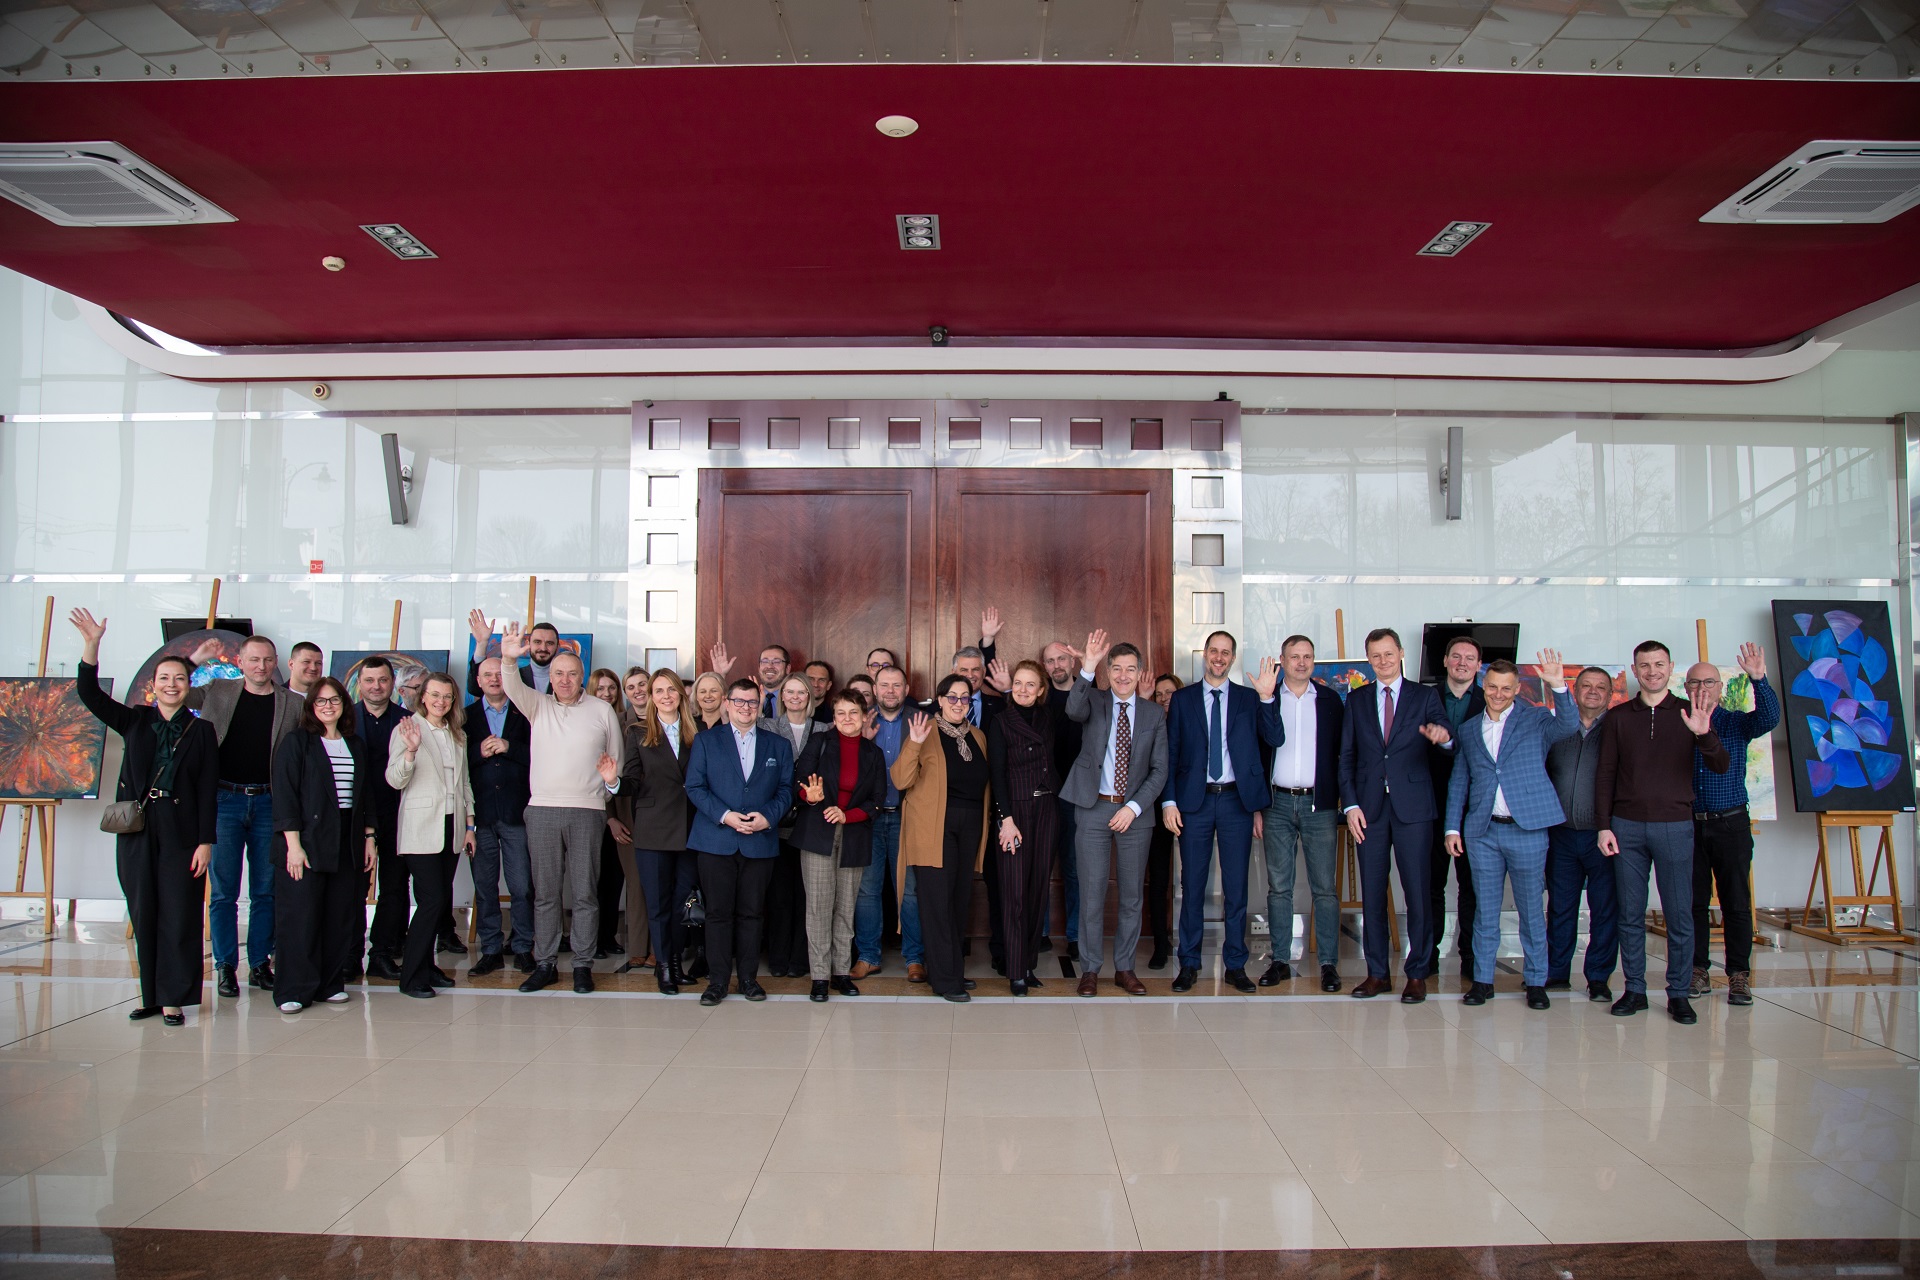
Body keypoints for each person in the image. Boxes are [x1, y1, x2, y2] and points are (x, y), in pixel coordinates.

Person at [72, 608, 216, 1026]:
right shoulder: (134, 721)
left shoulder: (201, 730)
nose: (172, 685)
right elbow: (89, 694)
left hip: (182, 833)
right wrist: (92, 645)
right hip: (136, 829)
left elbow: (207, 789)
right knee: (144, 910)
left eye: (180, 679)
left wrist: (206, 841)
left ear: (190, 687)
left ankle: (175, 999)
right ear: (152, 687)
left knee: (179, 913)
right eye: (165, 679)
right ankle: (151, 995)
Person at [1595, 640, 1729, 1025]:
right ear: (1635, 670)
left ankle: (1679, 993)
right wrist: (1604, 825)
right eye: (1644, 665)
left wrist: (1704, 733)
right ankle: (1634, 989)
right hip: (1626, 827)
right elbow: (1605, 775)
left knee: (1680, 915)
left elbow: (1720, 765)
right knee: (1630, 913)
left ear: (1670, 668)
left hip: (1675, 825)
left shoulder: (1691, 713)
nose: (1652, 671)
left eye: (1658, 664)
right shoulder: (1619, 718)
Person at [1443, 654, 1577, 1010]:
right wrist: (1452, 827)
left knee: (1532, 910)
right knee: (1485, 912)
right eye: (1492, 687)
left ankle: (1535, 981)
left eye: (1506, 688)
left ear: (1517, 689)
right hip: (1483, 832)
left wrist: (1559, 686)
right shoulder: (1470, 729)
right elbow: (1460, 780)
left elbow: (1568, 726)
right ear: (1483, 687)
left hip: (1527, 829)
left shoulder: (1536, 719)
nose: (1498, 694)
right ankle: (1483, 980)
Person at [498, 623, 626, 995]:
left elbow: (613, 764)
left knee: (585, 892)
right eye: (558, 674)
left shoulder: (602, 710)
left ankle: (583, 965)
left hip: (587, 811)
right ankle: (546, 963)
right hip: (542, 810)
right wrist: (508, 658)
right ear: (549, 677)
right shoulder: (538, 705)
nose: (565, 680)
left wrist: (603, 798)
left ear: (582, 675)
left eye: (572, 674)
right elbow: (510, 685)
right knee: (546, 893)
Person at [185, 632, 304, 998]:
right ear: (241, 662)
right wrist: (194, 662)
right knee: (223, 891)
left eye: (267, 660)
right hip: (224, 800)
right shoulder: (218, 690)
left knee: (266, 890)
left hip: (270, 803)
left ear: (276, 662)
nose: (261, 666)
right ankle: (224, 966)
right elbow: (175, 693)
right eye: (254, 660)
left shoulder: (293, 703)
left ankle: (258, 964)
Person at [1163, 632, 1283, 994]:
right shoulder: (1183, 700)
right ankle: (1189, 963)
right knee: (1193, 886)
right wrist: (1169, 801)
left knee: (1236, 889)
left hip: (1236, 802)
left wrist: (1267, 698)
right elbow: (1169, 754)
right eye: (1213, 651)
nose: (1218, 657)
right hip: (1193, 803)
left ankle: (1235, 964)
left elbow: (1273, 740)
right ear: (1205, 655)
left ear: (1232, 658)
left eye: (1225, 653)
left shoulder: (1249, 699)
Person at [1338, 628, 1453, 1003]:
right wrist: (1351, 805)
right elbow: (1347, 758)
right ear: (1367, 659)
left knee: (1417, 892)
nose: (1383, 661)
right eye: (1376, 656)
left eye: (1389, 654)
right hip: (1369, 810)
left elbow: (1447, 735)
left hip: (1414, 808)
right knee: (1372, 893)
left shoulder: (1425, 695)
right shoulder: (1356, 700)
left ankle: (1417, 972)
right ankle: (1376, 973)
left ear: (1401, 653)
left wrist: (1442, 737)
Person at [1063, 630, 1168, 997]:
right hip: (1092, 807)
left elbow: (1159, 770)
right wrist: (1088, 666)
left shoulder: (1154, 714)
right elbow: (1072, 709)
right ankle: (1090, 969)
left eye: (1131, 669)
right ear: (1109, 671)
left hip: (1135, 814)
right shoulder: (1094, 699)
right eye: (1117, 669)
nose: (1124, 676)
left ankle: (1124, 968)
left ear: (1141, 673)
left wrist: (1133, 807)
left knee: (1130, 897)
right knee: (1091, 894)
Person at [685, 678, 795, 1005]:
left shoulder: (778, 745)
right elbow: (695, 787)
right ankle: (717, 982)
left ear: (759, 704)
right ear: (727, 703)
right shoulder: (706, 741)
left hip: (759, 841)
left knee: (752, 914)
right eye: (739, 701)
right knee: (718, 914)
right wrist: (725, 815)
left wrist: (767, 817)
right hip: (716, 840)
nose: (745, 707)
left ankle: (748, 979)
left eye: (751, 702)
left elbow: (786, 790)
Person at [271, 677, 375, 1013]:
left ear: (344, 704)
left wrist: (369, 838)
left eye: (334, 700)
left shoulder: (355, 744)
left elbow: (366, 796)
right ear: (311, 707)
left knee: (339, 915)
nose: (328, 706)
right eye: (321, 701)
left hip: (346, 838)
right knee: (300, 917)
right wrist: (293, 846)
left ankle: (329, 984)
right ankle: (293, 989)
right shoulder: (296, 742)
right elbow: (285, 797)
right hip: (306, 840)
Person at [1685, 642, 1779, 1008]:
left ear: (1720, 688)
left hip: (1731, 824)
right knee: (1693, 903)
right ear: (1686, 687)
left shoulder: (1736, 723)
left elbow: (1769, 718)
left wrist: (1759, 678)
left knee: (1736, 902)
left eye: (1709, 682)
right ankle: (1697, 970)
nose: (1701, 689)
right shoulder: (1680, 723)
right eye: (1694, 683)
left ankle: (1739, 975)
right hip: (1688, 826)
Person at [893, 674, 992, 1002]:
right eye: (952, 697)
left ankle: (950, 970)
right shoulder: (924, 730)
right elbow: (900, 779)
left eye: (965, 698)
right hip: (933, 826)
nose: (959, 703)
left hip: (969, 826)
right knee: (936, 903)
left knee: (958, 900)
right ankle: (946, 981)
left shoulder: (976, 736)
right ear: (939, 699)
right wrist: (916, 743)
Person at [1261, 634, 1348, 993]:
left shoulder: (1330, 700)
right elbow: (1258, 750)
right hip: (1277, 803)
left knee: (1324, 888)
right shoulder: (1266, 698)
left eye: (1307, 656)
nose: (1301, 662)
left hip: (1319, 805)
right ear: (1282, 660)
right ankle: (1280, 959)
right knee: (1279, 887)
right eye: (1294, 656)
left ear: (1314, 660)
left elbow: (1344, 753)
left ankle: (1328, 963)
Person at [384, 673, 474, 999]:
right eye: (435, 695)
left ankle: (428, 967)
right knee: (431, 901)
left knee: (439, 902)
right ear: (423, 696)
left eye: (447, 697)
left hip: (452, 826)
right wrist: (410, 752)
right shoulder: (407, 729)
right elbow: (394, 780)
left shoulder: (457, 734)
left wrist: (470, 826)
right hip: (421, 827)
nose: (441, 702)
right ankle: (410, 977)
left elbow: (464, 784)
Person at [792, 691, 887, 1000]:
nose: (848, 718)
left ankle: (841, 973)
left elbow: (877, 801)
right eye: (841, 713)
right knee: (819, 907)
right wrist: (810, 797)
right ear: (833, 718)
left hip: (855, 834)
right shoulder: (820, 743)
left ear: (864, 716)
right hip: (818, 833)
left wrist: (848, 815)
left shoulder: (873, 753)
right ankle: (819, 977)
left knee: (846, 908)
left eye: (854, 712)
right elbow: (799, 782)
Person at [1545, 665, 1621, 1002]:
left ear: (1610, 694)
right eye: (1585, 685)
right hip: (1560, 834)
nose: (1592, 691)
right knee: (1561, 906)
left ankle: (1599, 978)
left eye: (1600, 687)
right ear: (1575, 692)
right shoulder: (1557, 728)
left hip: (1603, 835)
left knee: (1605, 908)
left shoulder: (1618, 730)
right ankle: (1556, 973)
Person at [622, 669, 698, 995]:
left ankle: (677, 964)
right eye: (659, 691)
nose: (665, 696)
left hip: (691, 829)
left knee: (683, 904)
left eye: (671, 689)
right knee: (658, 903)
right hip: (653, 830)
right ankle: (664, 966)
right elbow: (631, 781)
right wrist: (612, 781)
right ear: (651, 697)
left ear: (681, 694)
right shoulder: (637, 732)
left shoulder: (700, 731)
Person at [988, 660, 1060, 996]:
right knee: (1014, 892)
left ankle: (1028, 963)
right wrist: (1005, 819)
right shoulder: (1001, 721)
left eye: (1031, 684)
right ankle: (1015, 970)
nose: (1023, 689)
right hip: (1015, 813)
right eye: (1018, 683)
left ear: (1042, 690)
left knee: (1037, 891)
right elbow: (997, 774)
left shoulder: (1047, 718)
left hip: (1046, 808)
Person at [464, 655, 534, 976]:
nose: (494, 679)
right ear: (477, 681)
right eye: (487, 674)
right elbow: (458, 763)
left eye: (498, 674)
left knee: (521, 886)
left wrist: (509, 746)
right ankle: (490, 948)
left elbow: (540, 756)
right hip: (479, 816)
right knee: (485, 887)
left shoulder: (527, 714)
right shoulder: (464, 718)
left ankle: (522, 947)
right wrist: (479, 752)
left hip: (517, 813)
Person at [1428, 635, 1487, 980]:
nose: (1462, 663)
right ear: (1446, 661)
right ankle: (1429, 954)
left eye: (1470, 658)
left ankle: (1469, 955)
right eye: (1456, 656)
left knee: (1473, 886)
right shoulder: (1425, 697)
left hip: (1476, 808)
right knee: (1431, 885)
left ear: (1479, 666)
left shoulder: (1492, 699)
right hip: (1432, 806)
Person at [852, 664, 913, 982]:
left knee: (910, 891)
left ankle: (915, 957)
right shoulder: (859, 720)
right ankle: (868, 956)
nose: (890, 690)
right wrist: (860, 742)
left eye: (896, 685)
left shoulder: (922, 721)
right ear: (874, 689)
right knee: (867, 890)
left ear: (906, 689)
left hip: (907, 817)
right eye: (884, 685)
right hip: (870, 818)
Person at [355, 656, 410, 982]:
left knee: (395, 887)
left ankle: (383, 953)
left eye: (383, 680)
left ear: (393, 684)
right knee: (353, 888)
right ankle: (349, 953)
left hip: (396, 813)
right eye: (370, 680)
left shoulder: (407, 720)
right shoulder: (343, 720)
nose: (376, 687)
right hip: (355, 818)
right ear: (360, 684)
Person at [760, 673, 818, 977]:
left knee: (806, 895)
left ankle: (800, 958)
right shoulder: (766, 725)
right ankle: (778, 957)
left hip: (810, 825)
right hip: (777, 824)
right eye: (790, 692)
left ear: (810, 697)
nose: (795, 697)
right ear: (781, 697)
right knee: (780, 896)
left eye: (801, 692)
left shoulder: (824, 728)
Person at [1041, 640, 1085, 958]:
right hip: (1043, 795)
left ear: (1072, 662)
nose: (1056, 665)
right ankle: (1039, 932)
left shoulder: (1088, 695)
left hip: (1078, 797)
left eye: (1061, 659)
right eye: (1050, 661)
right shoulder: (1039, 700)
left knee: (1073, 868)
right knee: (1039, 866)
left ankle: (1075, 936)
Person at [589, 667, 634, 960]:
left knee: (615, 878)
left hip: (622, 807)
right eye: (600, 688)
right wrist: (610, 817)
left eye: (612, 688)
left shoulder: (624, 721)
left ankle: (608, 936)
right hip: (600, 811)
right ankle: (596, 938)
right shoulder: (590, 723)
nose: (607, 694)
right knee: (597, 880)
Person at [1145, 674, 1183, 968]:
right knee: (1157, 879)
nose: (1164, 698)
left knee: (1190, 876)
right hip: (1155, 810)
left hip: (1192, 806)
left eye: (1169, 692)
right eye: (1159, 694)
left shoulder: (1190, 720)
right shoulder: (1149, 721)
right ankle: (1160, 942)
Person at [466, 610, 562, 696]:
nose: (543, 648)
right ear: (528, 643)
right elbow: (475, 690)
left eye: (549, 643)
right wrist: (482, 644)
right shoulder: (514, 676)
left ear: (557, 647)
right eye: (537, 642)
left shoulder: (566, 679)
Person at [755, 645, 791, 720]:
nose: (769, 666)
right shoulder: (750, 698)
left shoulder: (794, 699)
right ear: (759, 668)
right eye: (765, 661)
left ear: (787, 668)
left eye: (776, 662)